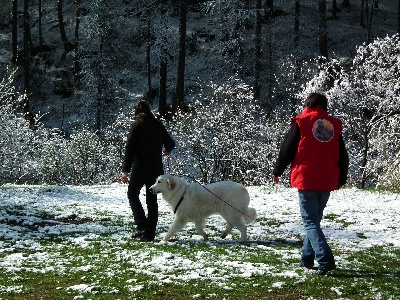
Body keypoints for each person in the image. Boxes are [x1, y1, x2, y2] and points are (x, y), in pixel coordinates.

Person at [273, 92, 349, 275]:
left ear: (308, 104)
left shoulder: (302, 122)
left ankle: (325, 259)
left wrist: (277, 171)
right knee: (314, 221)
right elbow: (343, 155)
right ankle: (307, 258)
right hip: (327, 179)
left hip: (307, 178)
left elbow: (287, 149)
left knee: (310, 221)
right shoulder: (334, 125)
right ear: (325, 106)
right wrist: (341, 178)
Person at [122, 100, 175, 241]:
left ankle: (141, 225)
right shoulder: (158, 124)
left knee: (132, 194)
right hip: (156, 169)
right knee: (152, 200)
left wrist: (125, 170)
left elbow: (130, 149)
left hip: (140, 167)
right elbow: (170, 143)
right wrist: (166, 150)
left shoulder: (136, 125)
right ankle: (149, 233)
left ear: (137, 112)